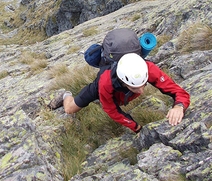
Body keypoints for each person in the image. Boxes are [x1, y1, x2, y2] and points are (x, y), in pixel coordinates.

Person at [48, 53, 190, 133]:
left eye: (144, 84)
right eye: (135, 88)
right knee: (70, 109)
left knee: (116, 100)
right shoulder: (105, 83)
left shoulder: (147, 69)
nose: (141, 91)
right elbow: (111, 110)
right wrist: (136, 127)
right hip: (101, 88)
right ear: (123, 81)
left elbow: (177, 91)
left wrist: (179, 106)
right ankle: (65, 95)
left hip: (118, 89)